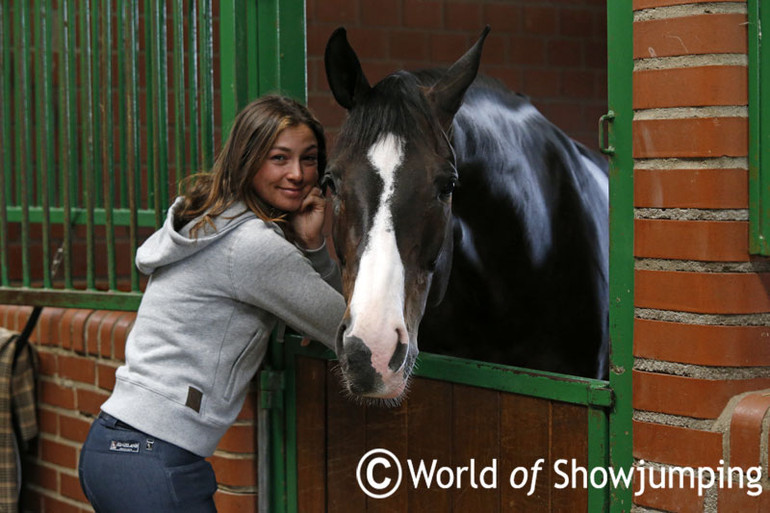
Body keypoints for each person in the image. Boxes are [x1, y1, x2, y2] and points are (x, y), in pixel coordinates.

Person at [78, 95, 345, 512]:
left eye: (309, 159)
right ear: (248, 159)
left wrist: (306, 244)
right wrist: (315, 249)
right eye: (279, 158)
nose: (297, 174)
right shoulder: (253, 247)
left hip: (115, 447)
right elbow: (342, 326)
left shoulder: (211, 222)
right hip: (154, 458)